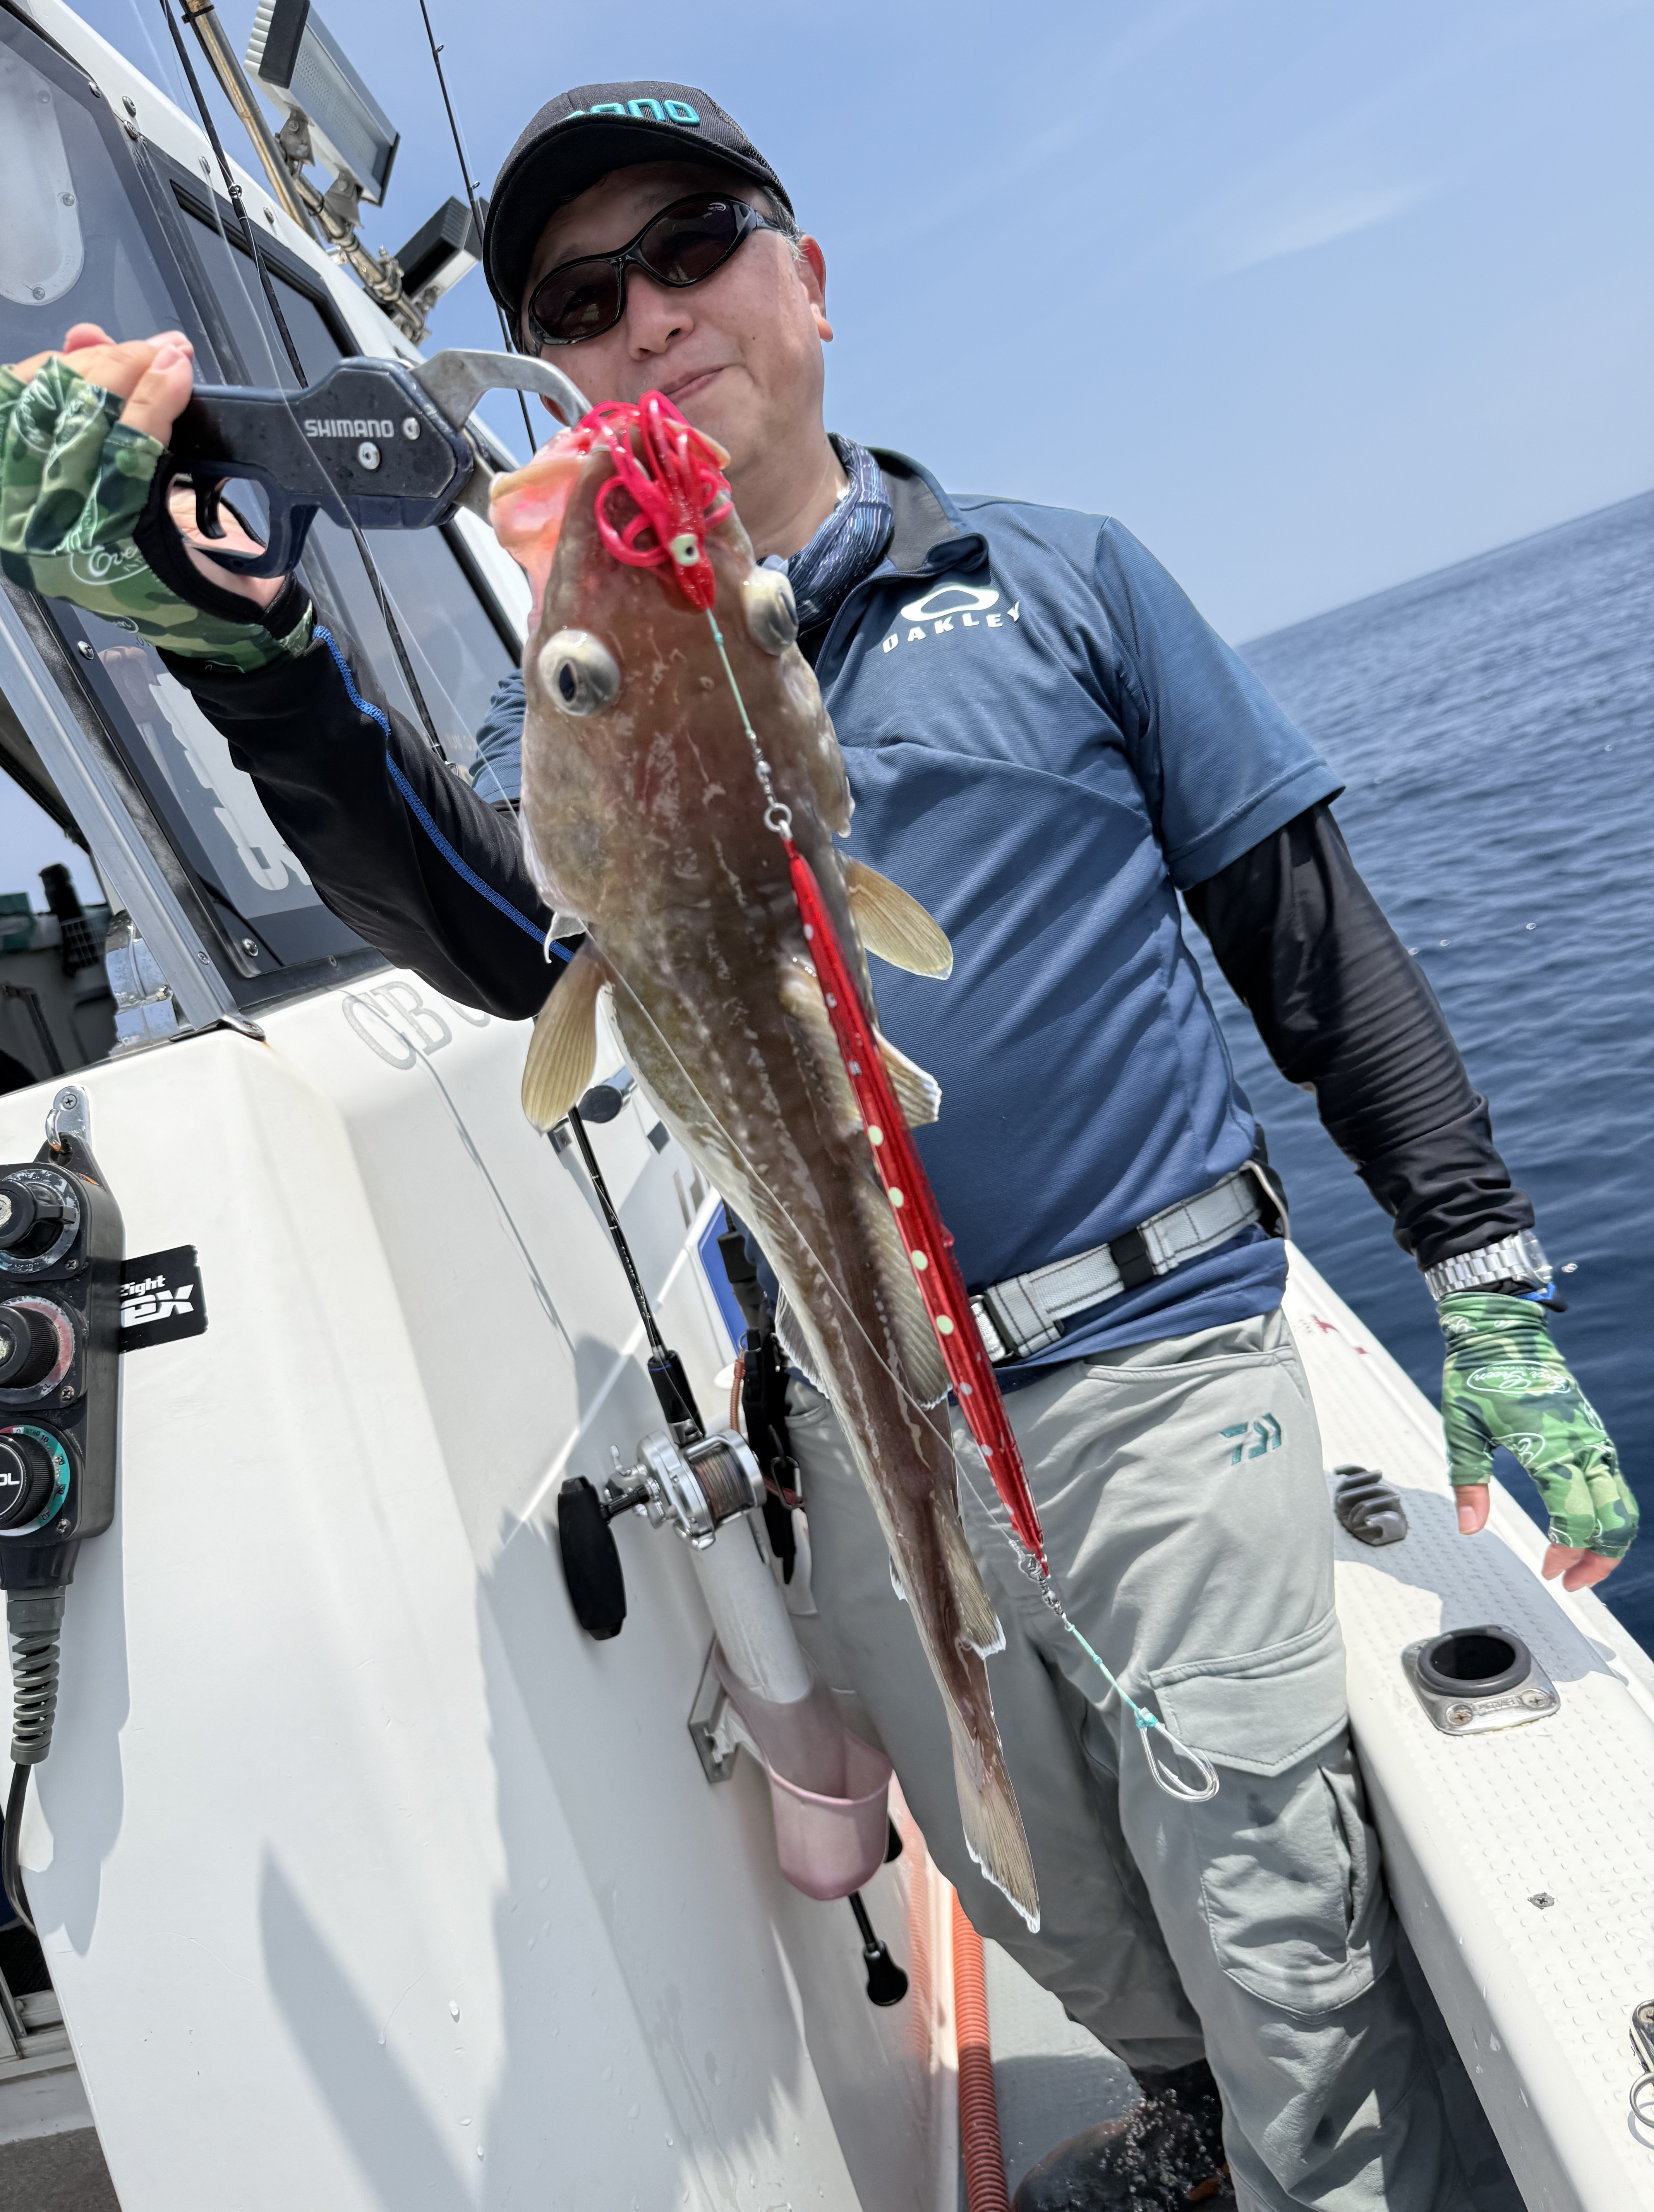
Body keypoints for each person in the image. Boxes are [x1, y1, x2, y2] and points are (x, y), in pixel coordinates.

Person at [0, 81, 1634, 2212]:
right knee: (1018, 1864)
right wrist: (251, 659)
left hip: (1155, 1370)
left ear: (813, 280)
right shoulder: (564, 683)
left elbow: (1312, 943)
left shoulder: (1062, 578)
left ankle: (1299, 2147)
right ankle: (1187, 2116)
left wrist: (1484, 1278)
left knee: (1273, 1927)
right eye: (579, 299)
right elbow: (496, 930)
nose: (649, 312)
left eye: (693, 247)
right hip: (866, 1421)